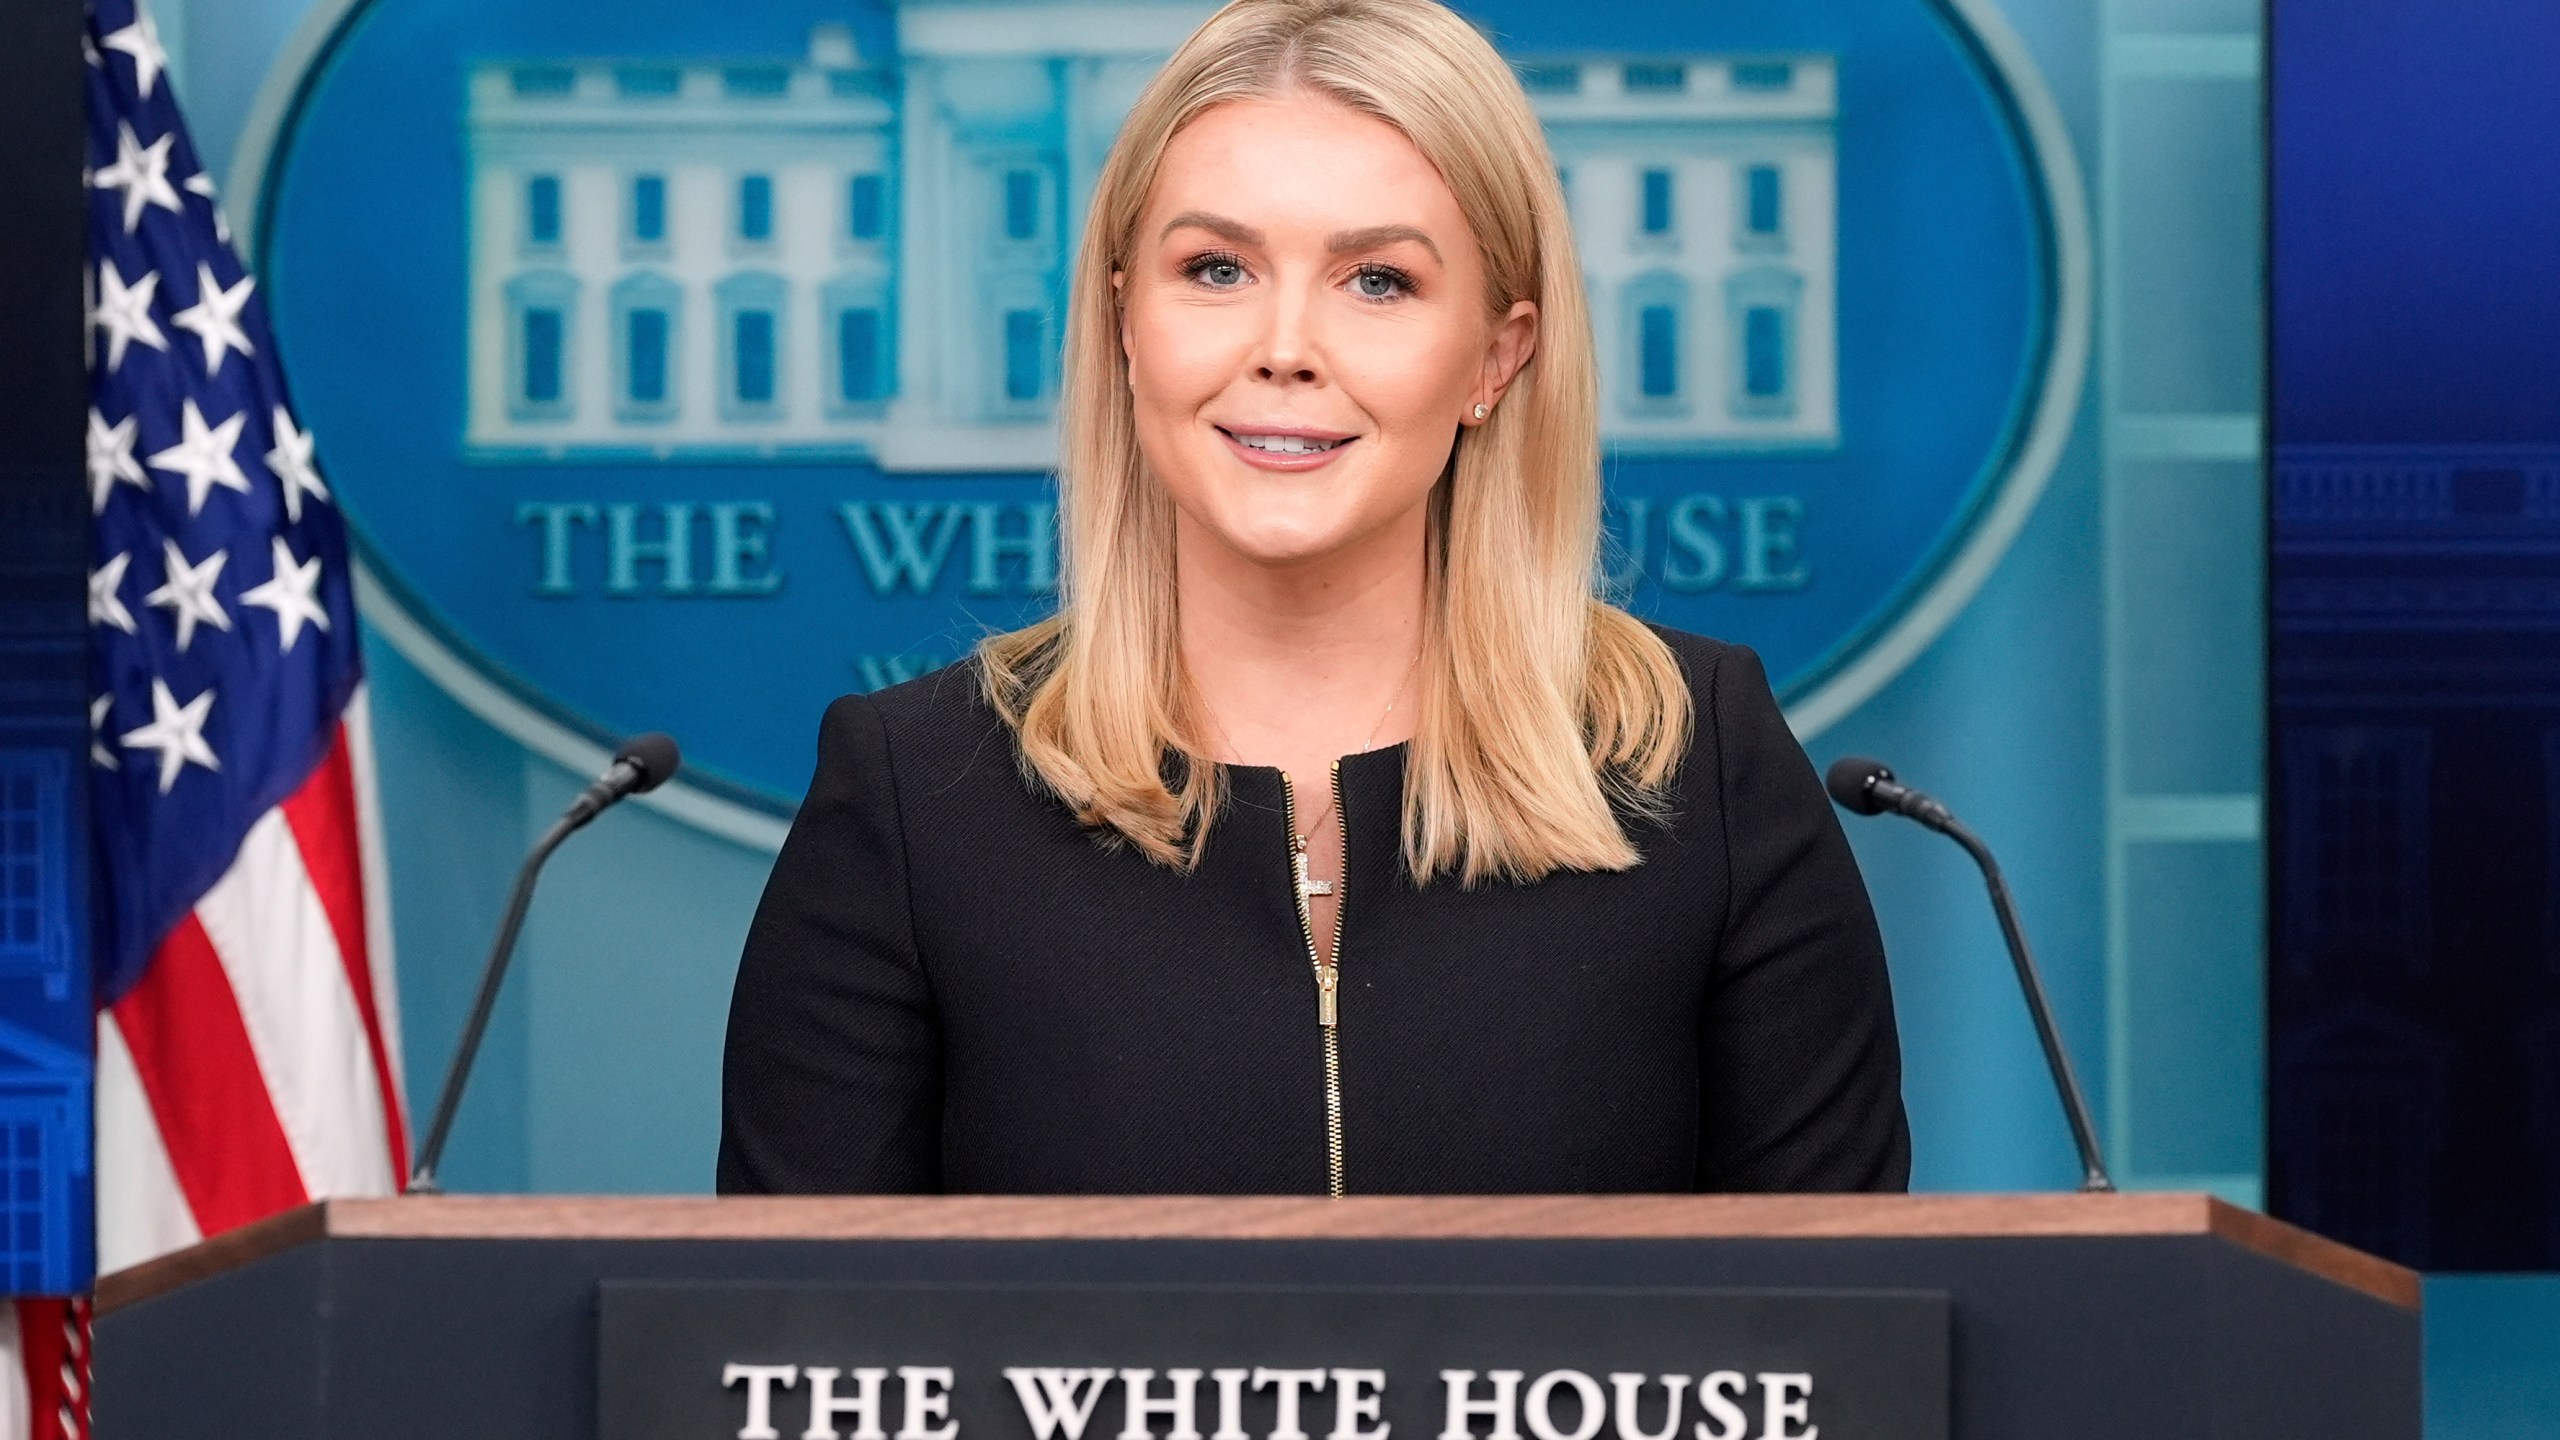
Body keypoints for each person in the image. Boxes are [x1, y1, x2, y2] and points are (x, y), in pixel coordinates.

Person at [717, 0, 1909, 1196]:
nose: (1285, 346)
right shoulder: (915, 791)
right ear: (1127, 320)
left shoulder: (1704, 765)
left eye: (1377, 281)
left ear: (1497, 356)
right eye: (1216, 269)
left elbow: (1842, 1351)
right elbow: (790, 1358)